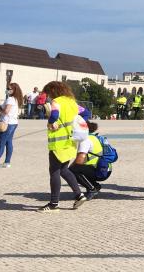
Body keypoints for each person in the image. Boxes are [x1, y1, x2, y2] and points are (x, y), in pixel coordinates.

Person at [39, 81, 87, 212]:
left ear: (53, 91)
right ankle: (79, 195)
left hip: (58, 143)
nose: (48, 96)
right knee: (64, 170)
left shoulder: (56, 102)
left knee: (54, 172)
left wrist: (51, 122)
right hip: (70, 142)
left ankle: (54, 203)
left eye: (48, 93)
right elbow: (86, 113)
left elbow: (54, 114)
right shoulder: (72, 102)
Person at [70, 121, 108, 201]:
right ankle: (95, 186)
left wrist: (68, 169)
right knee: (77, 169)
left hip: (98, 170)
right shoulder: (94, 137)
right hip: (104, 168)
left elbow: (80, 160)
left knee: (72, 170)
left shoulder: (85, 140)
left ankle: (92, 189)